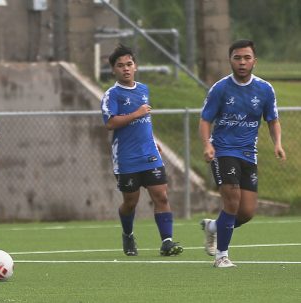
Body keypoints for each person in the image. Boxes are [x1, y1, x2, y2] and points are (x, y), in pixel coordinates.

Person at [199, 39, 286, 268]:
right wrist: (208, 145)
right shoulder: (220, 88)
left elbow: (273, 120)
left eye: (247, 58)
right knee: (232, 200)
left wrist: (277, 143)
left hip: (248, 153)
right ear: (230, 60)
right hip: (223, 150)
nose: (242, 62)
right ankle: (221, 257)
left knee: (246, 212)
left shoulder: (265, 89)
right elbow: (205, 120)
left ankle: (213, 227)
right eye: (237, 58)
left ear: (254, 61)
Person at [100, 44, 183, 257]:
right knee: (131, 202)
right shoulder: (112, 95)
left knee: (161, 196)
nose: (126, 68)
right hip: (127, 158)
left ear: (135, 66)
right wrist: (136, 113)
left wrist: (153, 141)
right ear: (113, 70)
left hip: (150, 154)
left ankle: (167, 242)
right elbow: (110, 123)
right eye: (120, 66)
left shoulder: (143, 89)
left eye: (129, 64)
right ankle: (128, 234)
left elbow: (146, 121)